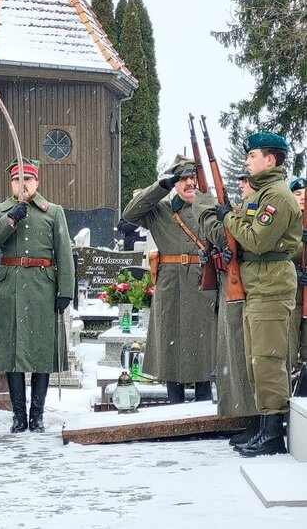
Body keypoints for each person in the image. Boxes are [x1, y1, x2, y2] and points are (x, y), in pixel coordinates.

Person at [215, 132, 302, 457]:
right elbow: (245, 235)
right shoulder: (262, 193)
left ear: (271, 159)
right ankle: (262, 425)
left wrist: (228, 217)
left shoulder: (277, 196)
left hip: (271, 284)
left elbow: (257, 240)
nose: (247, 161)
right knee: (256, 360)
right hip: (258, 283)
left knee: (268, 361)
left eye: (252, 156)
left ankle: (273, 433)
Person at [0, 158, 75, 433]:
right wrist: (10, 219)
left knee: (41, 352)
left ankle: (37, 415)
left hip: (42, 288)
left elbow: (64, 253)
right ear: (11, 183)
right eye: (16, 180)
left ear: (37, 182)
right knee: (13, 353)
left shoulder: (53, 212)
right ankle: (19, 415)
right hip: (9, 288)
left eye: (28, 179)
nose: (22, 184)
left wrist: (65, 291)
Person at [123, 155, 217, 404]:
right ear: (175, 183)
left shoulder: (212, 208)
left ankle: (203, 408)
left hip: (203, 283)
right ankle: (174, 407)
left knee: (203, 349)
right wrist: (161, 186)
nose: (190, 183)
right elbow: (130, 213)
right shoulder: (161, 209)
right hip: (170, 285)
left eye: (194, 177)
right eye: (183, 179)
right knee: (170, 347)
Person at [192, 172, 258, 446]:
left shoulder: (256, 208)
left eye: (246, 179)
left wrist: (204, 206)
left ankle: (253, 421)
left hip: (249, 290)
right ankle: (244, 419)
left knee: (245, 357)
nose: (241, 183)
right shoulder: (241, 210)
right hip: (230, 286)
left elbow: (225, 234)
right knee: (233, 357)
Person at [288, 177, 307, 371]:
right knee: (290, 342)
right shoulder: (286, 222)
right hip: (292, 294)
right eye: (298, 194)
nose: (302, 198)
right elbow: (280, 254)